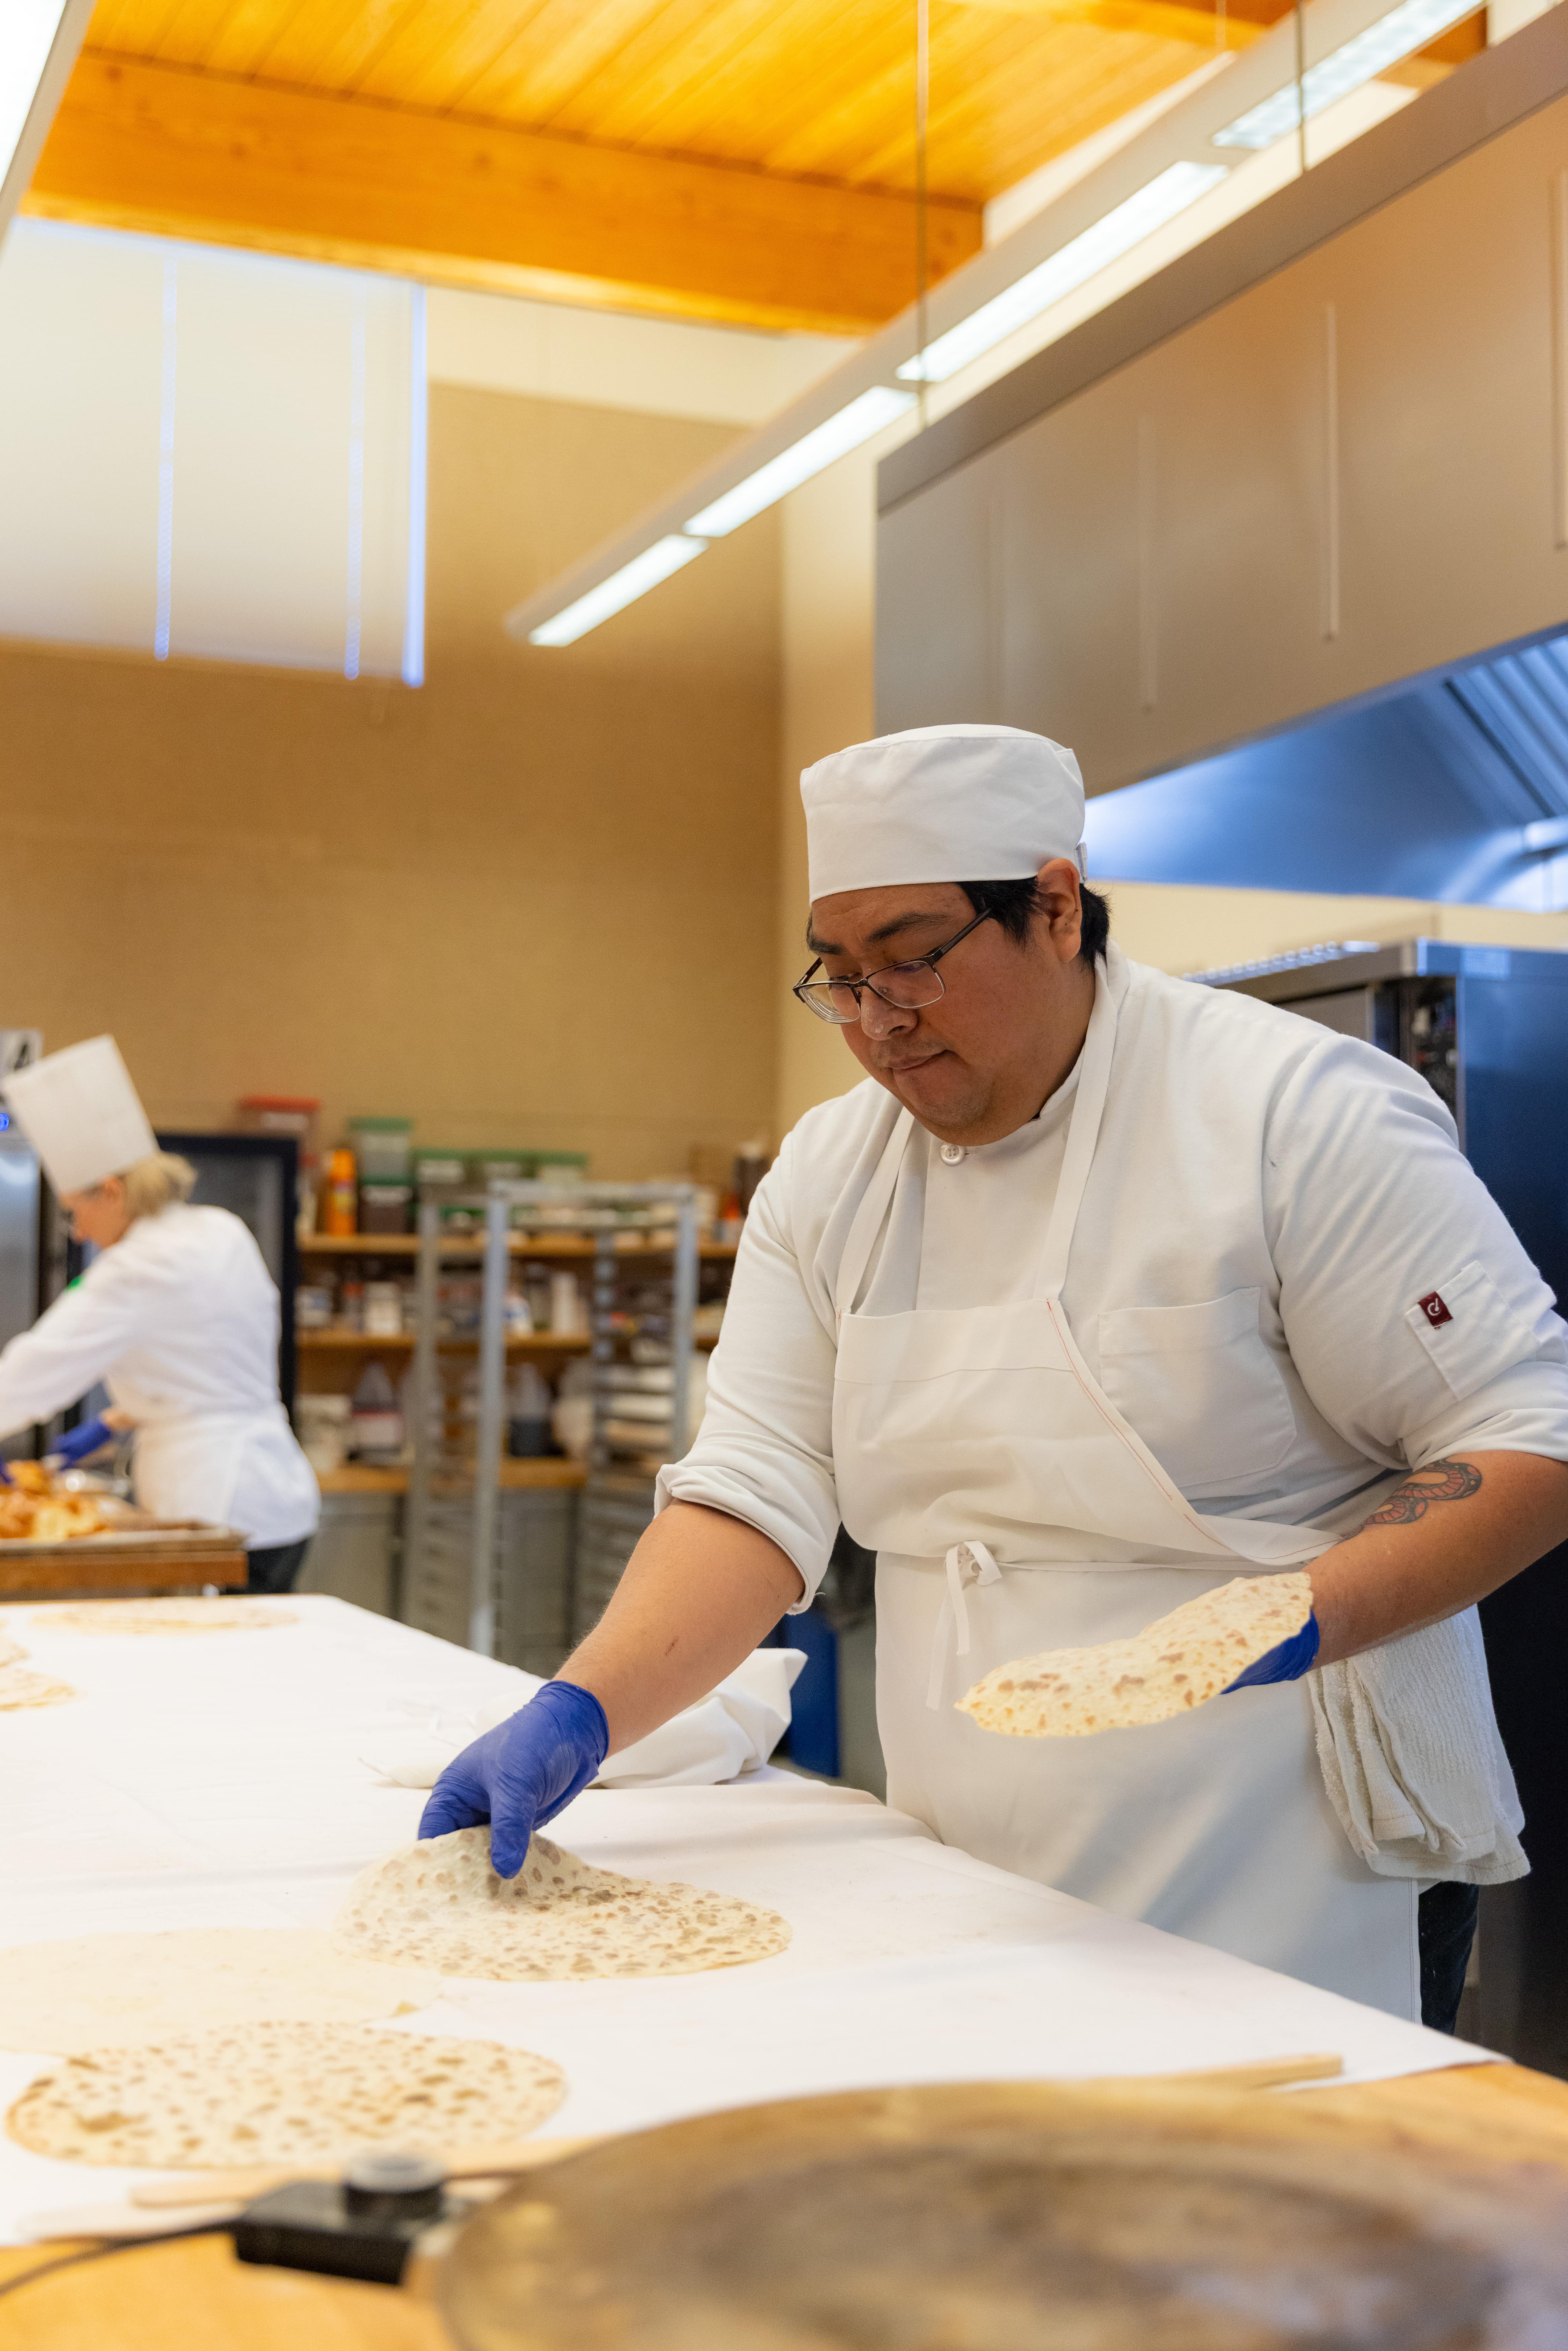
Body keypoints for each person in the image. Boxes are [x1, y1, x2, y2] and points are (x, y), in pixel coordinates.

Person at [420, 725, 1568, 2027]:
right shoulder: (829, 1171)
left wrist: (1279, 1619)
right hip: (962, 1845)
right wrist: (584, 1708)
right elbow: (752, 1488)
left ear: (1056, 906)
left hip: (1285, 1839)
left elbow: (1529, 1431)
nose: (874, 1021)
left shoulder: (1289, 1112)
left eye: (911, 962)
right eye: (838, 977)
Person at [0, 1036, 318, 1591]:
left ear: (112, 1192)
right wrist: (114, 1419)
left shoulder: (138, 1266)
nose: (78, 1231)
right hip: (279, 1494)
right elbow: (210, 1364)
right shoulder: (220, 1228)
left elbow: (34, 1371)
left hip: (217, 1503)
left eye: (77, 1212)